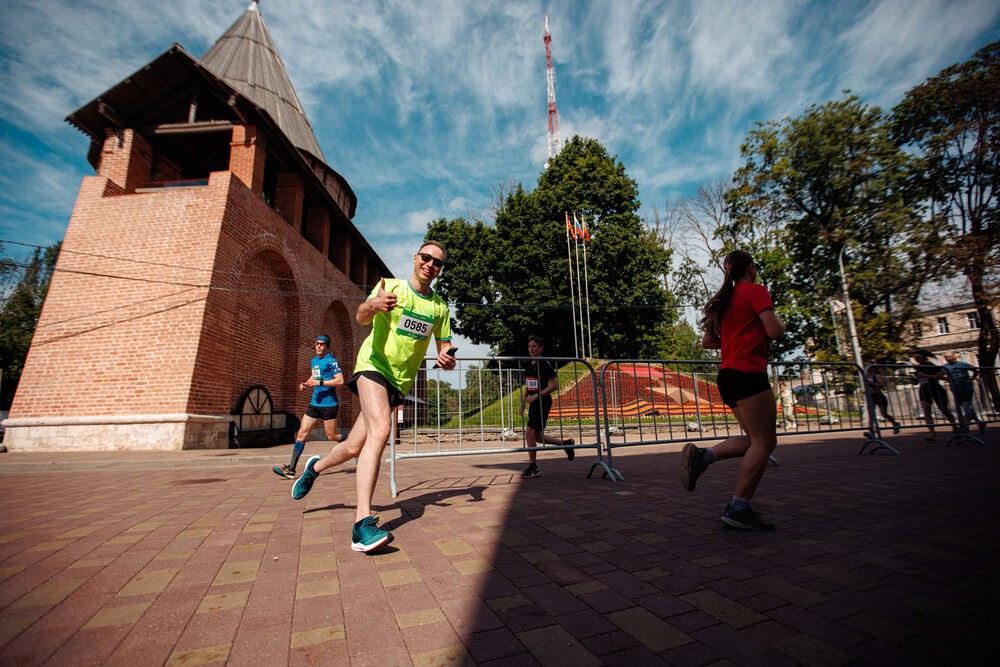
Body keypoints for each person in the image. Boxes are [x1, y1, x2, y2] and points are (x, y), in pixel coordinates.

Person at [290, 241, 456, 552]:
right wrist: (374, 305)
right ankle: (361, 525)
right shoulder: (390, 287)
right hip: (372, 367)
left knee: (354, 446)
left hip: (398, 382)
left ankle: (314, 468)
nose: (431, 265)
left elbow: (444, 346)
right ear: (415, 258)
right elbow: (360, 317)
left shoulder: (439, 308)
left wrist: (447, 358)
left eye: (438, 263)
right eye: (426, 257)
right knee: (381, 430)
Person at [681, 250, 785, 530]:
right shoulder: (755, 291)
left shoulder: (723, 300)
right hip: (748, 373)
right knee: (764, 443)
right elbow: (775, 331)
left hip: (727, 375)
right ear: (750, 267)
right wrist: (773, 328)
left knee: (755, 440)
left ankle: (703, 458)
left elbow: (707, 342)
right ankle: (738, 509)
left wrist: (735, 340)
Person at [272, 334, 346, 479]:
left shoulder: (332, 361)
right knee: (301, 433)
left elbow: (340, 381)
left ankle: (351, 442)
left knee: (331, 435)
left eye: (322, 344)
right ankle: (291, 469)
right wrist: (306, 383)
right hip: (314, 403)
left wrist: (320, 383)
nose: (318, 346)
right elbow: (315, 376)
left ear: (326, 346)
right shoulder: (314, 361)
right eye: (317, 344)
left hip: (329, 404)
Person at [520, 334, 574, 479]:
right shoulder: (528, 364)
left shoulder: (544, 364)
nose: (531, 349)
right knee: (537, 437)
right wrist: (522, 402)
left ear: (541, 348)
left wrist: (536, 396)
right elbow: (528, 385)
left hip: (542, 402)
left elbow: (554, 385)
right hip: (533, 402)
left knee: (529, 433)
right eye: (529, 347)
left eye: (534, 346)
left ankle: (533, 467)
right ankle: (566, 444)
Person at [911, 351, 956, 441]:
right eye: (915, 358)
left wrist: (926, 375)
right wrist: (914, 379)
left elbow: (940, 376)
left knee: (944, 409)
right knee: (926, 410)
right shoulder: (918, 369)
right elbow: (917, 380)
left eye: (919, 357)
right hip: (924, 389)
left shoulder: (931, 366)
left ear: (924, 357)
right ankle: (932, 432)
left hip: (935, 388)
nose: (917, 359)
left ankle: (955, 426)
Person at [942, 352, 985, 433]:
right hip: (955, 389)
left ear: (954, 356)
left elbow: (975, 371)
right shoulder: (945, 367)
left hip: (966, 388)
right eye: (946, 357)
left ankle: (966, 427)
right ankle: (979, 422)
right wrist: (947, 379)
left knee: (967, 406)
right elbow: (941, 375)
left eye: (949, 356)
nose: (947, 358)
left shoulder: (962, 364)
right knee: (964, 407)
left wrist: (971, 379)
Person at [863, 363, 901, 437]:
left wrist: (872, 383)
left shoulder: (877, 376)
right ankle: (871, 431)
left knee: (884, 414)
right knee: (871, 414)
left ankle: (895, 423)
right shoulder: (866, 376)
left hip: (879, 396)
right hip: (871, 396)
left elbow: (882, 386)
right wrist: (865, 391)